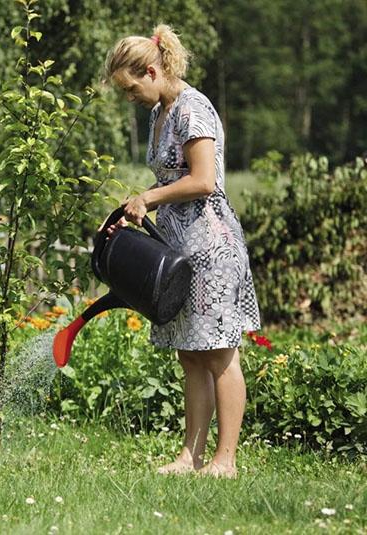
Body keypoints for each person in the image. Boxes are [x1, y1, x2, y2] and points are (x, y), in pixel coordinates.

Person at [103, 24, 261, 478]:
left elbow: (203, 180)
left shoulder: (192, 109)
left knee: (218, 352)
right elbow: (169, 179)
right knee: (190, 353)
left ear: (151, 71)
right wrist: (127, 209)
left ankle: (224, 460)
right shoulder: (161, 112)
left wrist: (148, 198)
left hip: (211, 246)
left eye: (132, 89)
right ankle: (190, 457)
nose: (130, 98)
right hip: (178, 247)